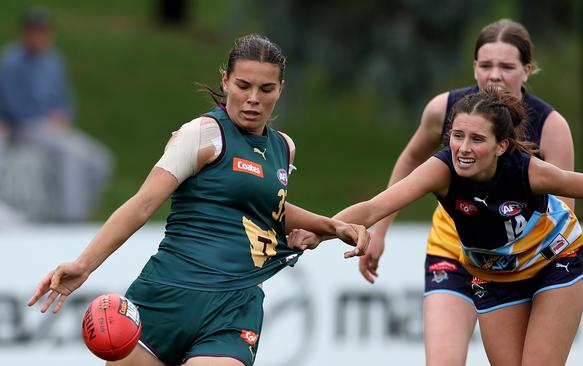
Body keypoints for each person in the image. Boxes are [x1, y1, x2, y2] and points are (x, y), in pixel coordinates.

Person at [27, 34, 370, 366]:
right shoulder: (203, 134)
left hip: (234, 306)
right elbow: (144, 203)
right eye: (243, 85)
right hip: (165, 296)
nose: (253, 98)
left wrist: (331, 227)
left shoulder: (283, 147)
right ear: (225, 81)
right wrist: (84, 264)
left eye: (266, 89)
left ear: (280, 89)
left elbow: (267, 207)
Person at [322, 87, 583, 366]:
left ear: (501, 145)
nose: (463, 148)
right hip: (493, 272)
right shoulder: (441, 169)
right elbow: (374, 208)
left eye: (477, 139)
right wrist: (317, 230)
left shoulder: (529, 172)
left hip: (554, 259)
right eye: (457, 136)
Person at [365, 19, 575, 365]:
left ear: (527, 70)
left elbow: (564, 212)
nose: (495, 75)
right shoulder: (445, 109)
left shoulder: (550, 127)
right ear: (474, 67)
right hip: (453, 251)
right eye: (486, 65)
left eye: (507, 66)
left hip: (519, 262)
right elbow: (411, 160)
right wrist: (380, 230)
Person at [0, 7, 113, 221]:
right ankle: (70, 221)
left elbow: (64, 100)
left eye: (42, 31)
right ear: (24, 33)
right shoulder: (11, 62)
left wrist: (62, 115)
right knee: (72, 154)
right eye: (33, 31)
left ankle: (84, 214)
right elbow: (12, 106)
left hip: (53, 129)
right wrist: (46, 120)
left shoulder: (54, 61)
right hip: (25, 128)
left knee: (100, 160)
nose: (38, 36)